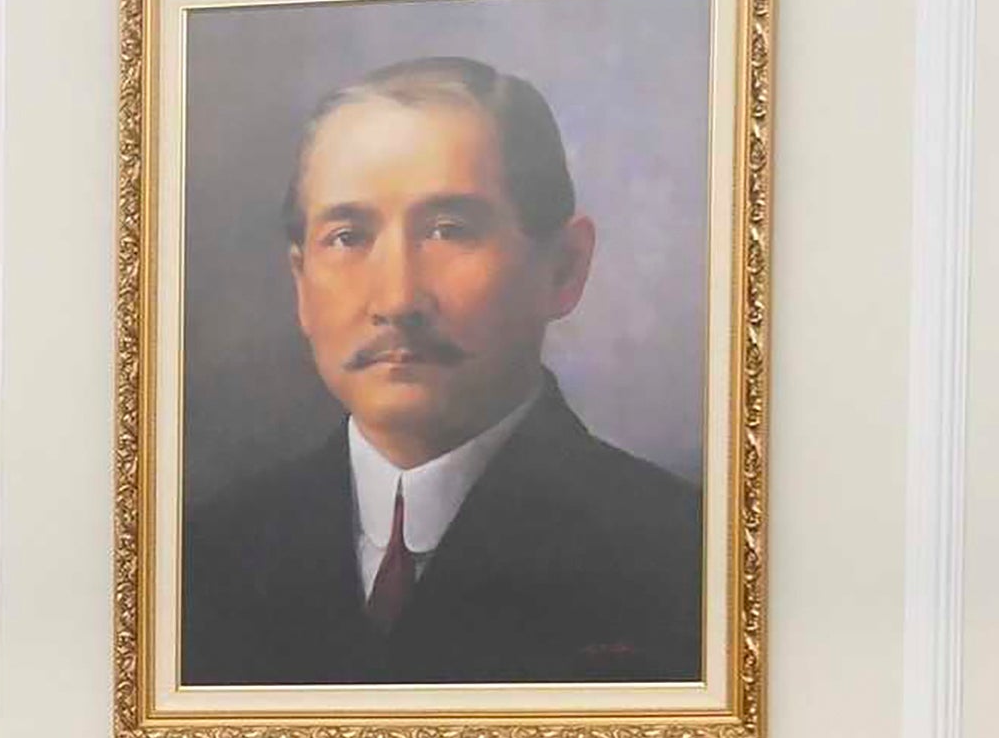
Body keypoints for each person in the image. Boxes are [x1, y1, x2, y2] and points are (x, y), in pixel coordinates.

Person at [179, 54, 706, 688]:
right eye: (348, 237)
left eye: (449, 230)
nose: (398, 300)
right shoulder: (197, 561)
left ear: (563, 269)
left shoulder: (683, 558)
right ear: (301, 283)